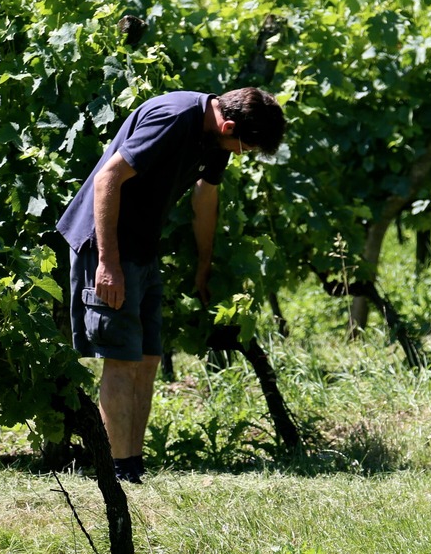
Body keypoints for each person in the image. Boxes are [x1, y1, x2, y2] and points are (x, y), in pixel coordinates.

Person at [57, 87, 286, 483]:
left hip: (143, 249)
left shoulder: (214, 136)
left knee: (146, 360)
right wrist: (108, 264)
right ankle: (115, 473)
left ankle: (132, 465)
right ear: (228, 125)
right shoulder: (174, 118)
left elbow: (205, 197)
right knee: (121, 360)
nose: (240, 154)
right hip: (107, 246)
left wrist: (204, 264)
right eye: (244, 147)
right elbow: (107, 177)